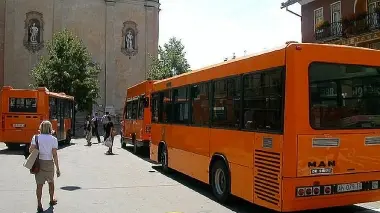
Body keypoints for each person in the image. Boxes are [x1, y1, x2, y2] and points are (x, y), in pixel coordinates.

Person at [29, 121, 61, 213]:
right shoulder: (53, 139)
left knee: (39, 185)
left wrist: (38, 150)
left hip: (39, 163)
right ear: (50, 128)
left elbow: (31, 150)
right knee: (51, 183)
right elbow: (54, 154)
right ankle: (51, 200)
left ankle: (39, 205)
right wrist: (58, 168)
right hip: (49, 163)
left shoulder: (36, 137)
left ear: (41, 127)